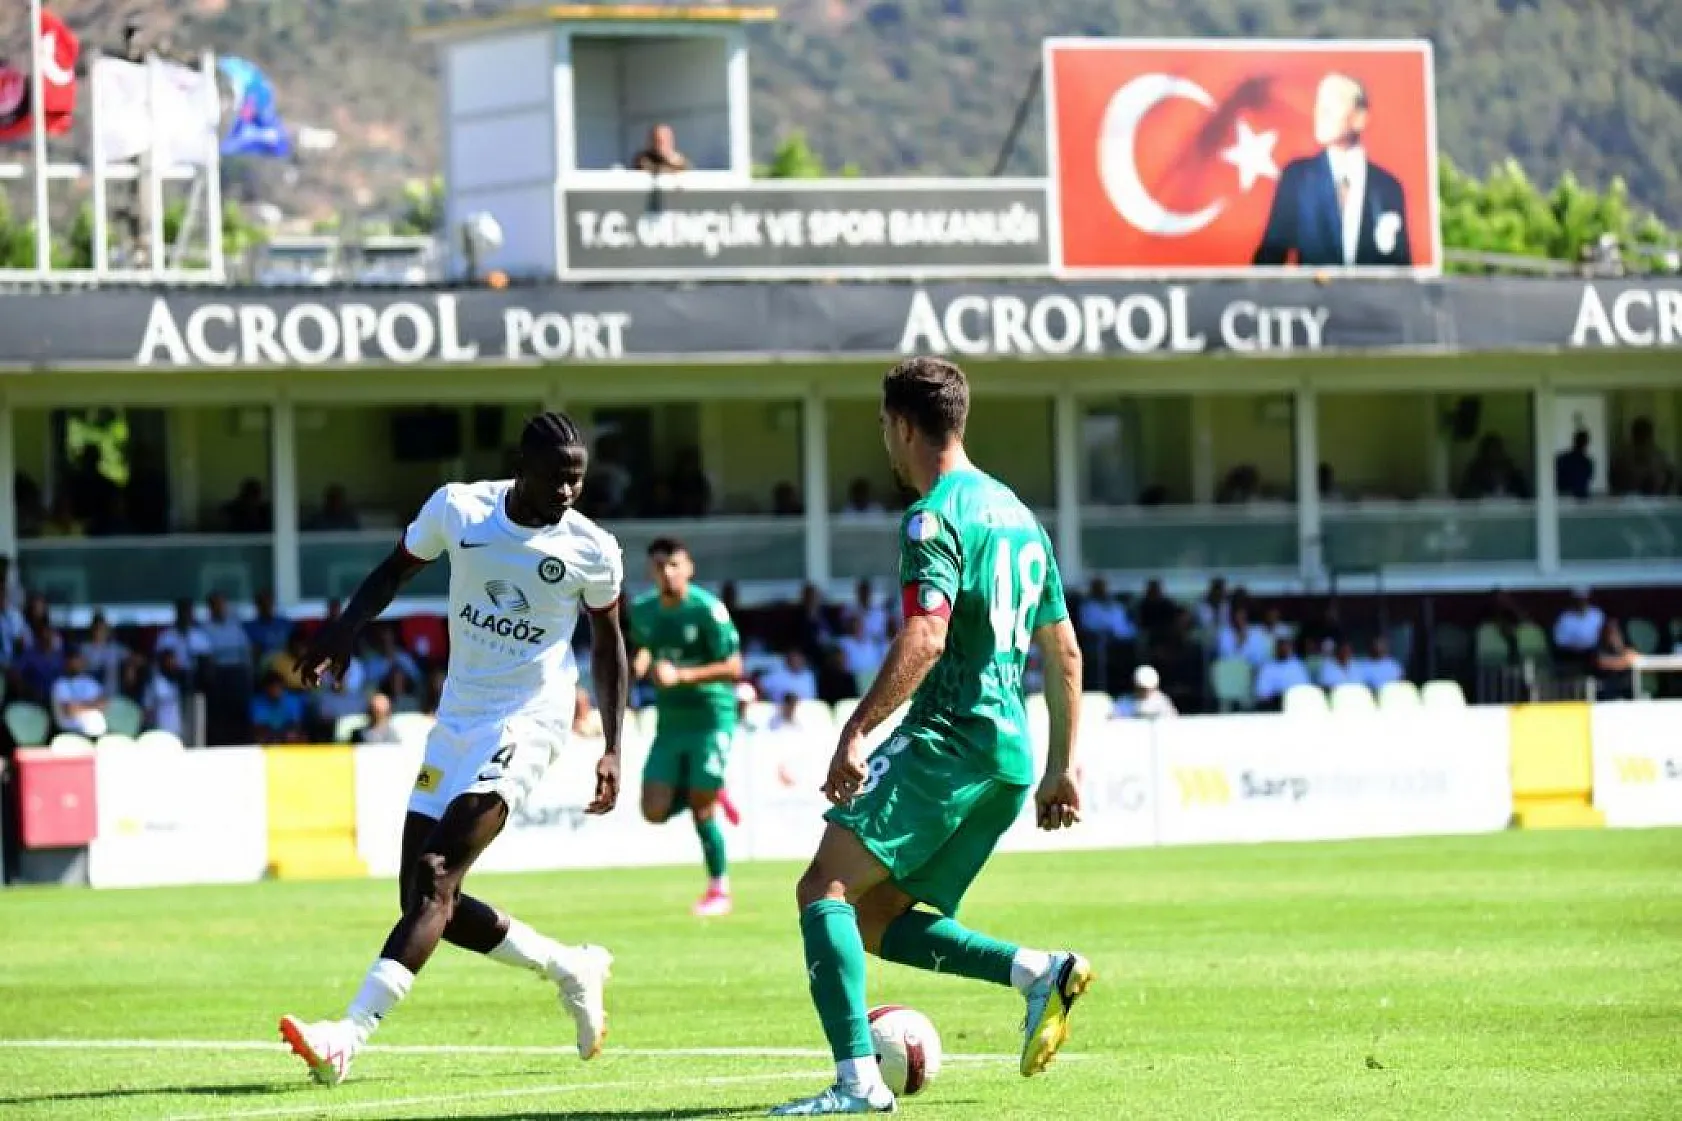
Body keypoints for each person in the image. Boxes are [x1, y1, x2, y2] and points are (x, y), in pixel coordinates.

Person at [770, 357, 1091, 1117]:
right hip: (1007, 759)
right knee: (878, 918)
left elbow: (926, 635)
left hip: (948, 738)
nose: (885, 440)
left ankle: (856, 1082)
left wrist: (855, 729)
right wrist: (1062, 767)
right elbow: (1065, 651)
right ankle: (1038, 971)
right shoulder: (1017, 514)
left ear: (905, 425)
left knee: (825, 887)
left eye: (885, 426)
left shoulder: (933, 514)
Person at [277, 411, 629, 1087]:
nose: (567, 494)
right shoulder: (459, 509)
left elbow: (609, 643)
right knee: (421, 889)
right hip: (459, 715)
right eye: (557, 478)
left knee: (438, 872)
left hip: (531, 719)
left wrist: (614, 743)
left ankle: (348, 1035)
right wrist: (344, 630)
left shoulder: (592, 548)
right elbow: (394, 570)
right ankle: (567, 964)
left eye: (576, 481)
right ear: (521, 466)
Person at [628, 538, 744, 917]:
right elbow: (645, 645)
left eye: (674, 565)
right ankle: (705, 787)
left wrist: (682, 675)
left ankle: (719, 889)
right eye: (660, 566)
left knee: (702, 811)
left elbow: (734, 667)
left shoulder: (708, 610)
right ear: (651, 571)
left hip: (711, 716)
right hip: (670, 721)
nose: (667, 572)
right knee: (653, 810)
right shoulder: (643, 610)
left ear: (689, 567)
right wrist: (641, 663)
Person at [1253, 73, 1412, 268]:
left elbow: (1401, 269)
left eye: (1334, 102)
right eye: (1319, 103)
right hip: (1313, 297)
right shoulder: (1298, 179)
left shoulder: (1387, 188)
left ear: (1360, 117)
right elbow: (1271, 256)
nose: (1321, 112)